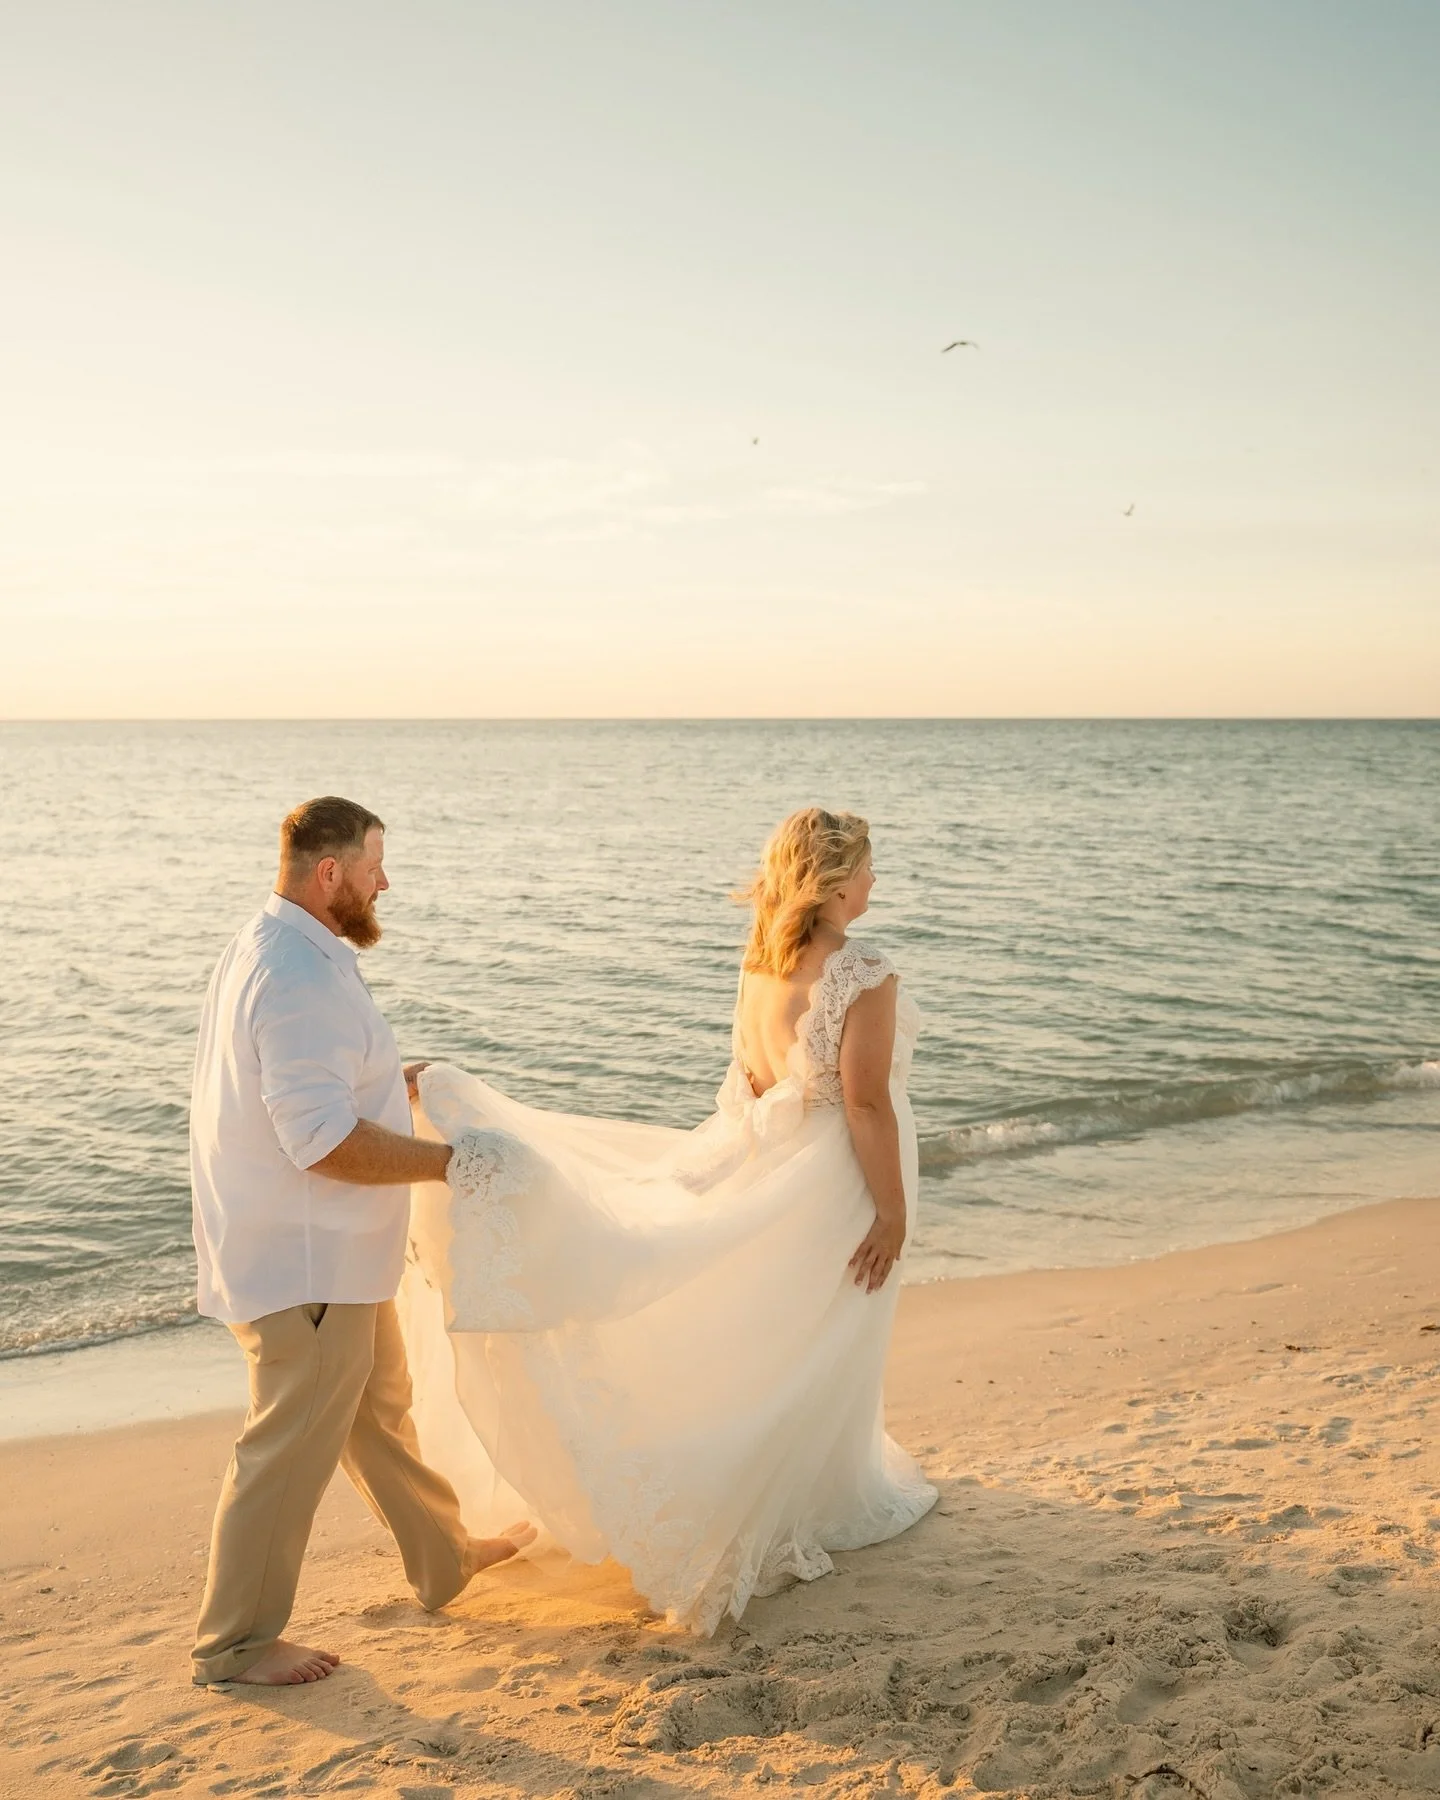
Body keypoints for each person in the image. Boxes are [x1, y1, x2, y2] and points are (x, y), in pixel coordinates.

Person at [400, 806, 937, 1636]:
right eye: (867, 866)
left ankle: (798, 1481)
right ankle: (805, 1496)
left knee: (785, 1337)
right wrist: (892, 1213)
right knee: (820, 1334)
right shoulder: (862, 972)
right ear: (835, 882)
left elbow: (750, 1083)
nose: (875, 879)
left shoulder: (762, 964)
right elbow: (865, 1105)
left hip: (775, 1163)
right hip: (832, 1180)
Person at [189, 796, 533, 1687]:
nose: (387, 882)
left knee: (378, 1417)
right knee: (287, 1450)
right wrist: (452, 1164)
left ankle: (445, 1557)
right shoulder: (294, 976)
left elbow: (306, 1090)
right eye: (375, 865)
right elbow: (321, 1141)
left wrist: (387, 1084)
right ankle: (235, 1645)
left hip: (333, 1257)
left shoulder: (276, 945)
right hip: (304, 1266)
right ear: (330, 871)